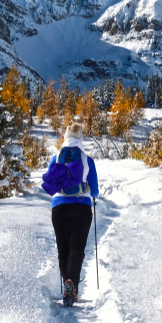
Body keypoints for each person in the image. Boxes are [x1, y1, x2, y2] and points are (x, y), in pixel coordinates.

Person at [48, 122, 99, 306]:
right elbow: (94, 191)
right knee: (76, 249)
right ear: (80, 139)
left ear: (65, 137)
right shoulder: (87, 160)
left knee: (63, 250)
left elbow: (50, 182)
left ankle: (66, 284)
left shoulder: (56, 158)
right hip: (81, 207)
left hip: (59, 208)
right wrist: (91, 194)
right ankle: (72, 284)